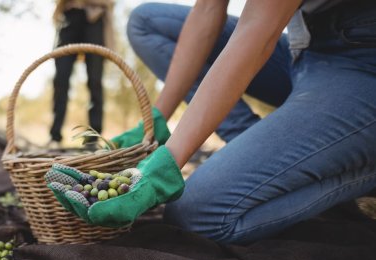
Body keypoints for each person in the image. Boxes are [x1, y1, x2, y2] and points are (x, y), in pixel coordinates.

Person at [47, 0, 376, 244]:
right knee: (148, 21)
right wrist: (158, 118)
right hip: (304, 51)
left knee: (197, 213)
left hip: (362, 64)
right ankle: (257, 145)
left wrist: (167, 163)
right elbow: (207, 9)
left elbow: (258, 30)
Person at [49, 0, 116, 147]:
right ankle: (55, 136)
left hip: (94, 20)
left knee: (95, 80)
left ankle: (93, 139)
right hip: (69, 18)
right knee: (60, 80)